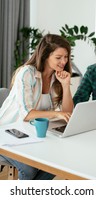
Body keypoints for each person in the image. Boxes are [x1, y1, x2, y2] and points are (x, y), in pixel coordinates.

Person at [0, 34, 74, 179]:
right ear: (46, 55)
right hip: (7, 132)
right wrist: (56, 114)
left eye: (66, 57)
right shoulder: (27, 73)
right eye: (58, 57)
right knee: (29, 169)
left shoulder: (56, 77)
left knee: (60, 161)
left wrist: (66, 86)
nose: (63, 61)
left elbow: (67, 112)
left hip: (32, 135)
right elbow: (27, 114)